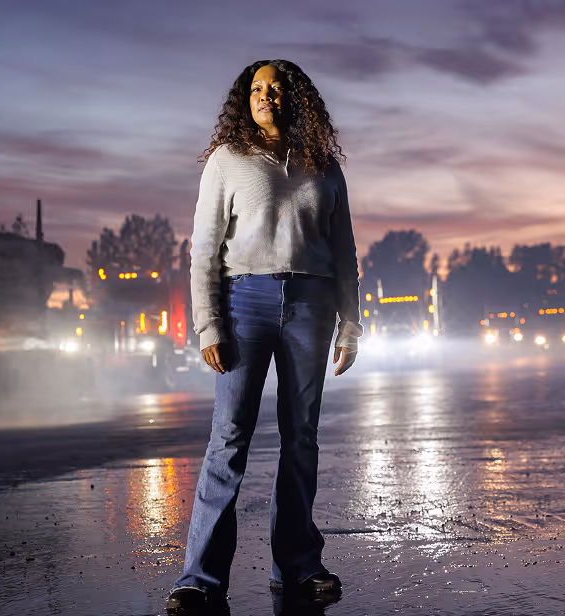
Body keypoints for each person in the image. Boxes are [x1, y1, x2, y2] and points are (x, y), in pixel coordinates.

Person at [165, 59, 362, 613]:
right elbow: (203, 248)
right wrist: (209, 323)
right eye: (256, 88)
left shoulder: (324, 167)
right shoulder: (227, 161)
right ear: (243, 98)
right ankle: (199, 579)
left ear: (296, 98)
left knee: (302, 439)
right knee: (229, 439)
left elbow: (344, 250)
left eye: (276, 88)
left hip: (313, 303)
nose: (265, 96)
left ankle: (298, 567)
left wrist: (351, 322)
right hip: (244, 301)